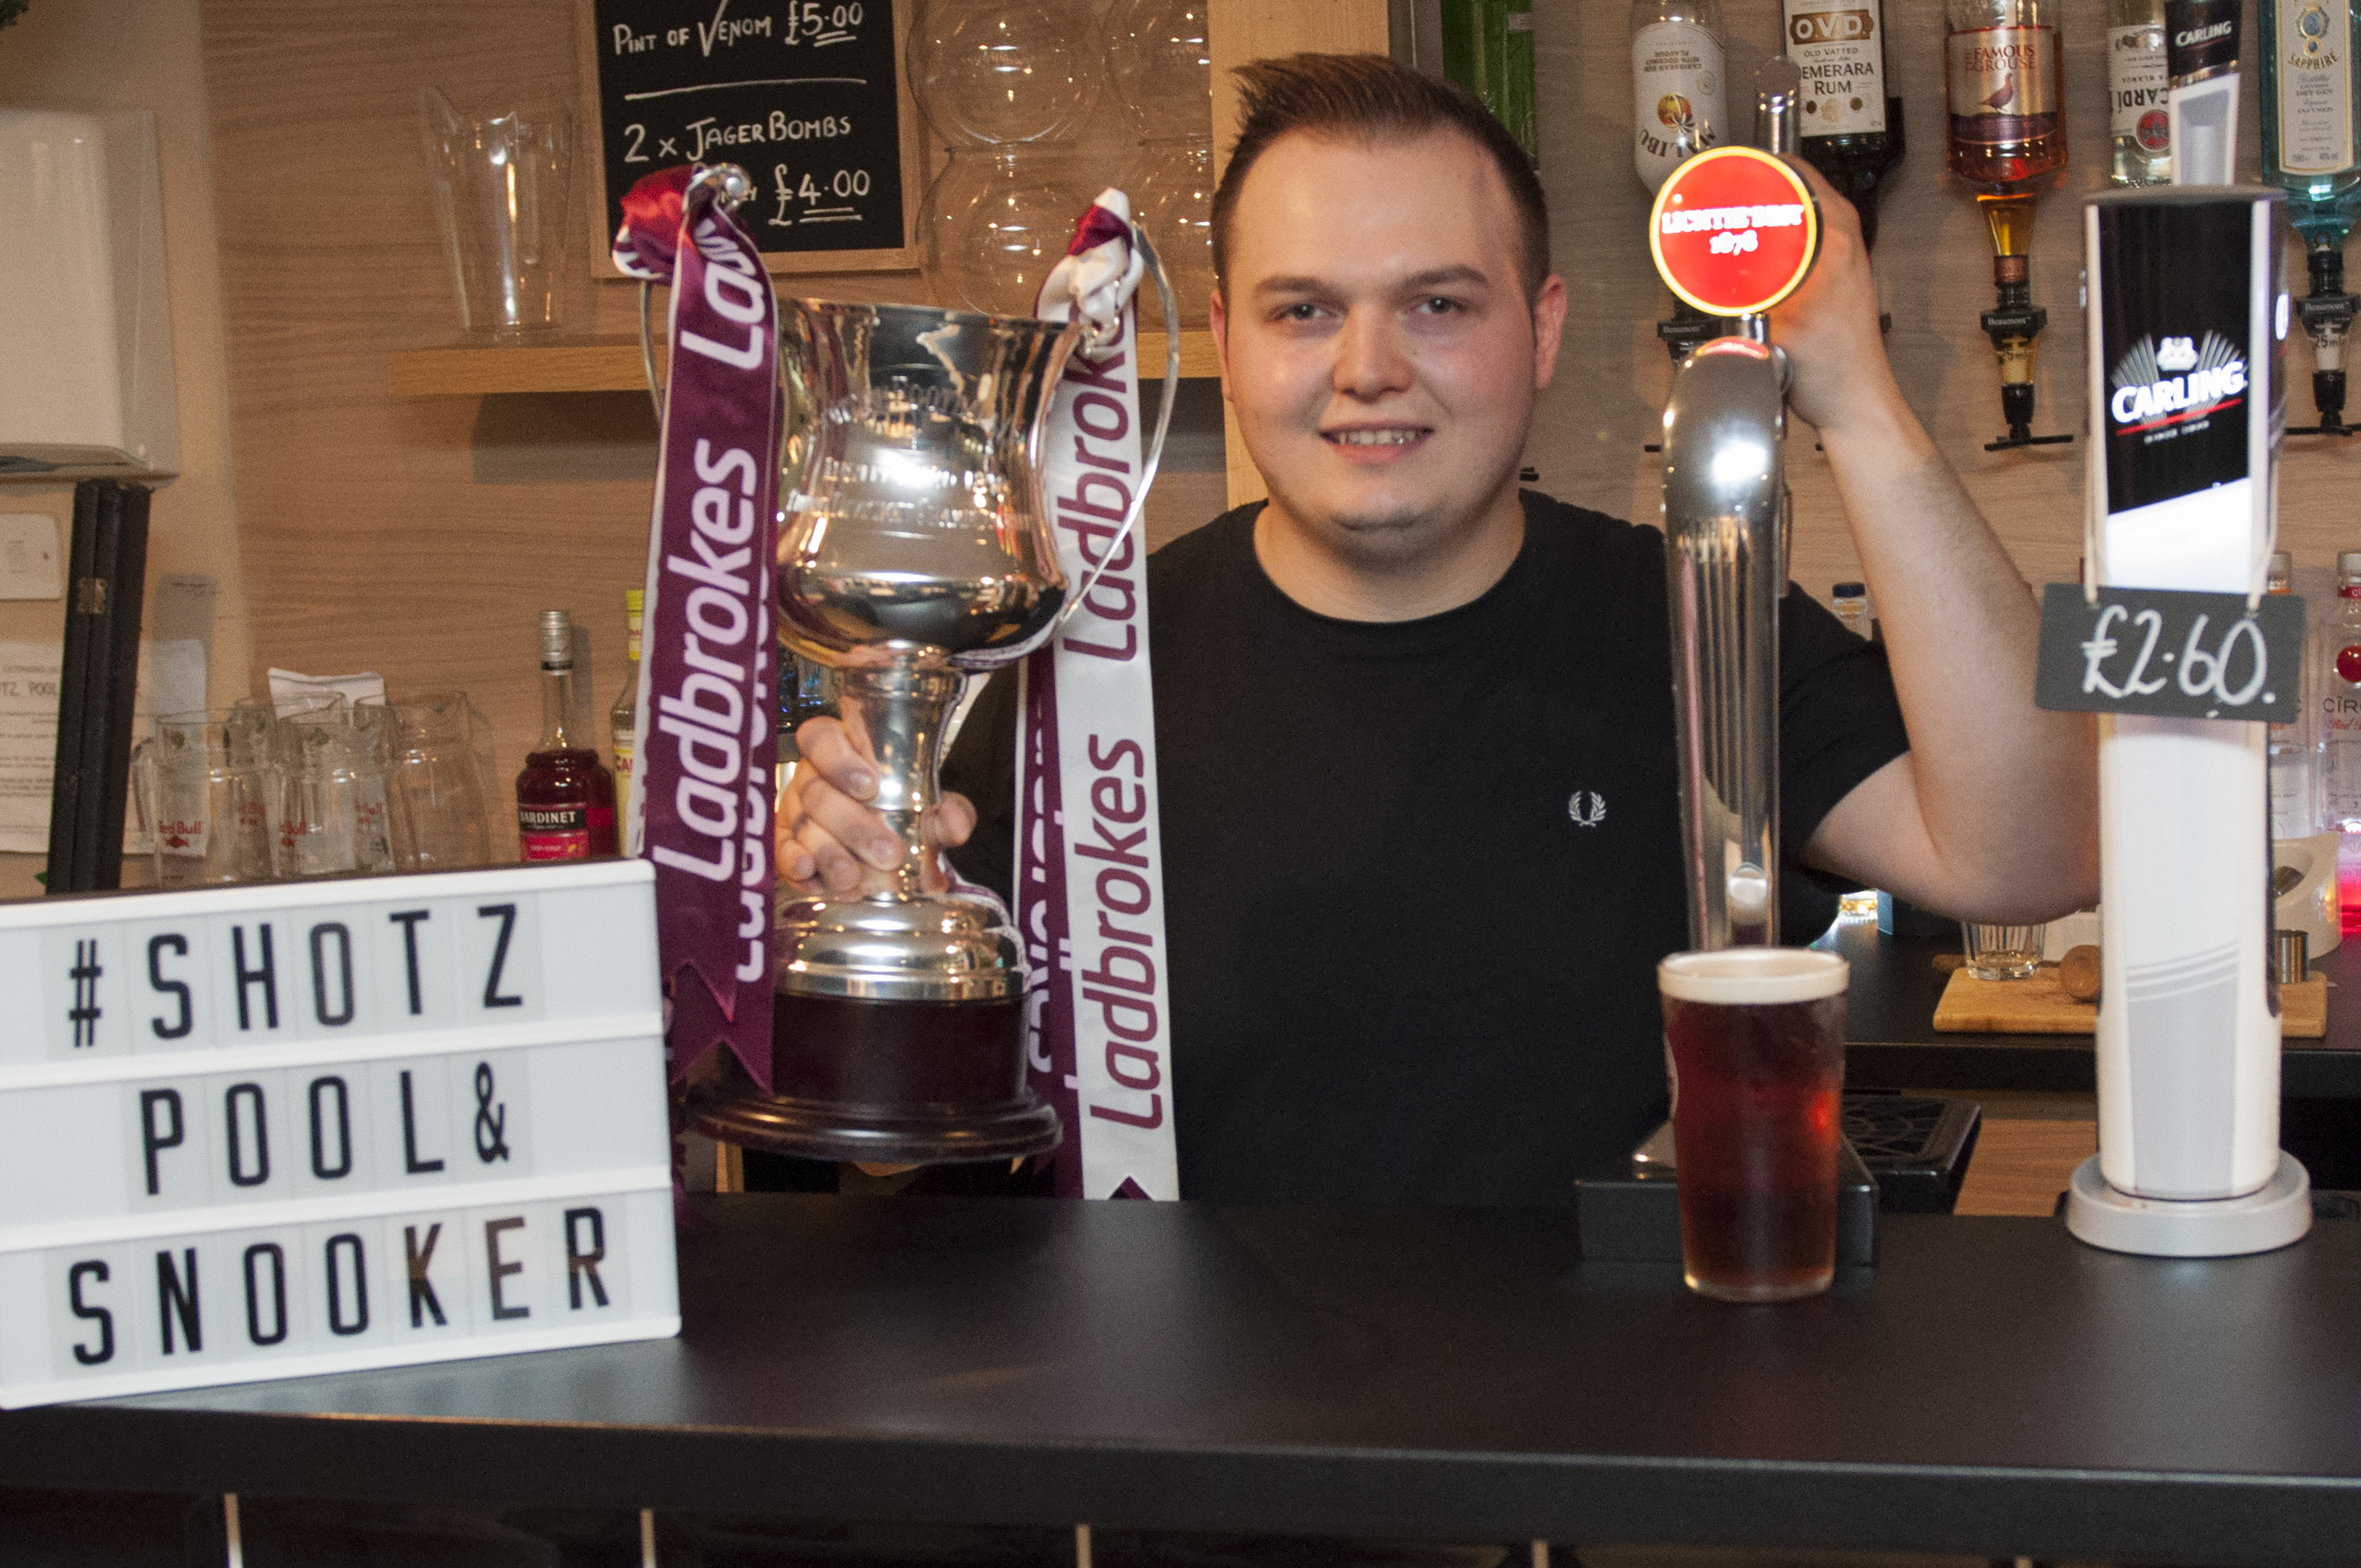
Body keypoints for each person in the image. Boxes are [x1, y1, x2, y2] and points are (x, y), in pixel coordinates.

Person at [780, 54, 2099, 1205]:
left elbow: (2031, 855)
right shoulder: (1079, 674)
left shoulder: (1687, 613)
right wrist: (837, 923)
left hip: (1597, 1462)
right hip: (1192, 1470)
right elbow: (896, 1156)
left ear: (1542, 330)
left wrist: (1860, 396)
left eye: (1439, 304)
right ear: (1229, 342)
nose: (1368, 367)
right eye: (1306, 309)